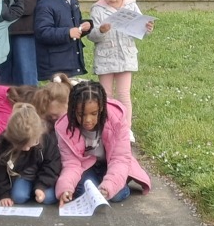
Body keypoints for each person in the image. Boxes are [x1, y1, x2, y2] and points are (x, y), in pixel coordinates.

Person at [55, 78, 150, 206]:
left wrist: (108, 186)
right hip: (86, 167)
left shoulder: (116, 119)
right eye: (81, 114)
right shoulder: (66, 128)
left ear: (101, 108)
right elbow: (71, 164)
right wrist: (66, 188)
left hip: (111, 164)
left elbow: (120, 158)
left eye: (94, 113)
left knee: (116, 194)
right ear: (73, 111)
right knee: (86, 193)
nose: (88, 120)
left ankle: (116, 183)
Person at [87, 0, 153, 132]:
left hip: (126, 57)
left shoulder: (131, 6)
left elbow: (139, 30)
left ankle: (125, 129)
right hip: (105, 58)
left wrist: (147, 28)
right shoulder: (97, 9)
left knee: (124, 95)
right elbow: (92, 36)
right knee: (106, 95)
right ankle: (107, 127)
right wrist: (101, 31)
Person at [0, 100, 62, 207]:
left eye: (32, 144)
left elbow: (52, 165)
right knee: (18, 197)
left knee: (49, 198)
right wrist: (3, 194)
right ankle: (30, 191)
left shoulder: (47, 138)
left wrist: (41, 186)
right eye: (22, 145)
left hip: (43, 175)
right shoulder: (2, 143)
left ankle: (35, 190)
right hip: (23, 176)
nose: (27, 149)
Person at [32, 0, 92, 81]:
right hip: (55, 65)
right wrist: (68, 33)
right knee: (58, 93)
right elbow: (43, 31)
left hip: (70, 61)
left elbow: (73, 26)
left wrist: (84, 26)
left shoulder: (73, 1)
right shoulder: (46, 2)